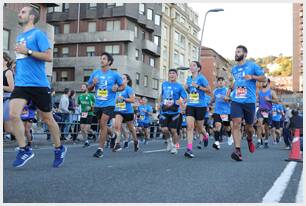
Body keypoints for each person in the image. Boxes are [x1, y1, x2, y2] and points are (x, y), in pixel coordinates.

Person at [9, 6, 66, 168]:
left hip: (38, 84)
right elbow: (24, 58)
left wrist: (27, 51)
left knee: (48, 119)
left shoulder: (38, 34)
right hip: (21, 84)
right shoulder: (20, 36)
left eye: (23, 12)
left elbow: (48, 57)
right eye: (20, 12)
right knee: (13, 114)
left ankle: (59, 148)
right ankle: (24, 149)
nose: (19, 14)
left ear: (32, 17)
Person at [224, 45, 266, 161]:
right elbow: (234, 83)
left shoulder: (252, 66)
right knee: (236, 123)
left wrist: (252, 76)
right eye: (235, 52)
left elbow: (264, 78)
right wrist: (229, 93)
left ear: (245, 54)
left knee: (249, 127)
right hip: (236, 100)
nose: (236, 53)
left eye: (238, 52)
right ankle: (237, 151)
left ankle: (249, 139)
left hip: (249, 101)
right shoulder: (234, 69)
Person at [87, 52, 125, 158]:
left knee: (103, 124)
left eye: (104, 59)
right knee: (101, 125)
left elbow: (123, 86)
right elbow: (88, 88)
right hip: (98, 103)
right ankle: (113, 135)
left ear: (109, 62)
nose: (101, 60)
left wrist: (117, 88)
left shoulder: (114, 75)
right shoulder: (95, 73)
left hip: (109, 103)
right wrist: (93, 84)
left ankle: (100, 149)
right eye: (101, 58)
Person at [184, 61, 211, 158]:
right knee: (190, 127)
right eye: (190, 65)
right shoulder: (188, 79)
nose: (191, 67)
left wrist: (198, 86)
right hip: (191, 104)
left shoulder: (202, 78)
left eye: (193, 65)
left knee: (200, 127)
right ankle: (189, 148)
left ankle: (205, 135)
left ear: (198, 68)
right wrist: (186, 88)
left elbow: (209, 90)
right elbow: (190, 91)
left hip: (201, 105)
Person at [159, 69, 187, 154]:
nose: (171, 75)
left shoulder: (179, 86)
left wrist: (181, 103)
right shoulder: (164, 84)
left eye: (173, 73)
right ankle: (169, 141)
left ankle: (174, 147)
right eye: (170, 73)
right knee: (164, 129)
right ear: (168, 75)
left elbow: (185, 98)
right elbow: (162, 95)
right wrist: (159, 103)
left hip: (175, 111)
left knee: (174, 130)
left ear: (176, 75)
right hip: (164, 110)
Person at [113, 74, 139, 152]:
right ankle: (117, 144)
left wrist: (124, 99)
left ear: (127, 80)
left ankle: (135, 141)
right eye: (121, 78)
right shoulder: (117, 89)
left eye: (123, 78)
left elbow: (133, 100)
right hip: (118, 110)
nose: (121, 80)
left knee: (131, 128)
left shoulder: (129, 89)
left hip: (128, 111)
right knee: (117, 126)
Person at [255, 78, 278, 148]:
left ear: (268, 82)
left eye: (264, 82)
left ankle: (266, 141)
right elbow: (256, 100)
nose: (262, 83)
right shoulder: (259, 91)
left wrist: (269, 100)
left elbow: (277, 101)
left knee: (267, 128)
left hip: (268, 111)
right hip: (260, 110)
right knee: (259, 124)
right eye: (261, 82)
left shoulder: (272, 92)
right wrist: (255, 102)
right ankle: (259, 141)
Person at [210, 77, 231, 150]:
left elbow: (230, 99)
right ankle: (217, 142)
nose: (220, 82)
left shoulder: (227, 90)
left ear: (224, 82)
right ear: (217, 83)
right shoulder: (215, 91)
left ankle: (229, 136)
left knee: (227, 127)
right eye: (219, 81)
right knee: (217, 126)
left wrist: (226, 98)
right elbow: (213, 99)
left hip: (226, 111)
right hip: (217, 111)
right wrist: (209, 103)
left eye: (222, 81)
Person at [3, 52, 15, 135]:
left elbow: (11, 88)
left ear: (6, 61)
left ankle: (22, 132)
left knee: (8, 129)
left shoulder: (8, 72)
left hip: (6, 99)